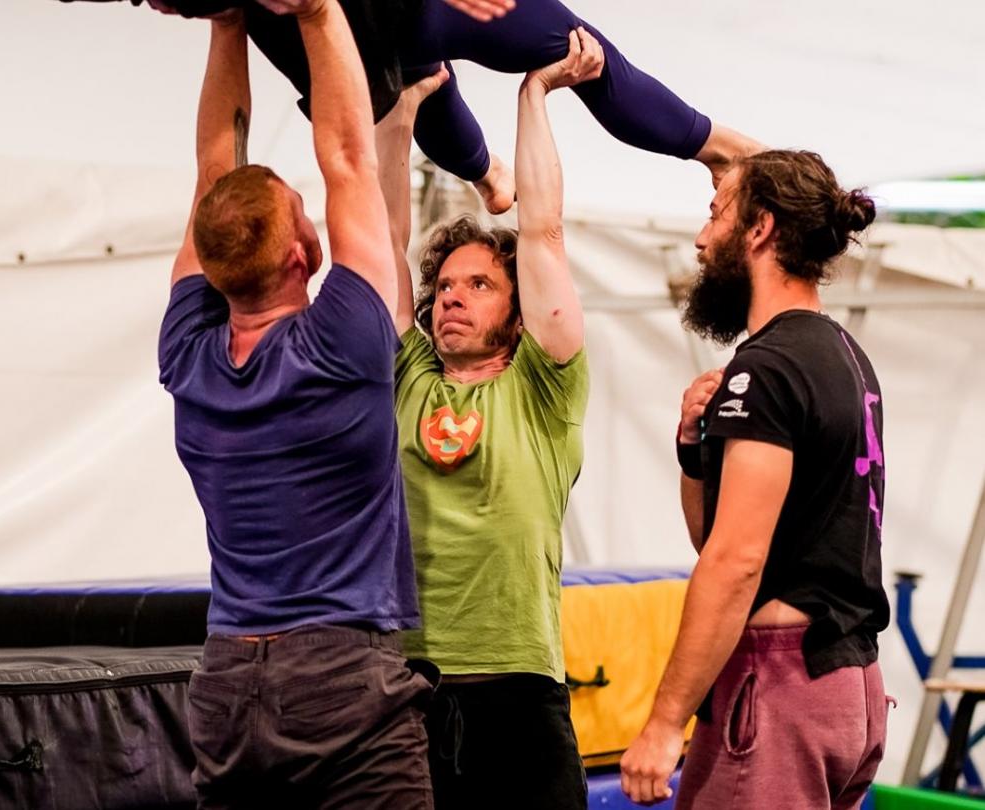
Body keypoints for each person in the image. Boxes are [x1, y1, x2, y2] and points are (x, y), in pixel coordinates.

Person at [156, 2, 434, 807]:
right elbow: (349, 156)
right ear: (302, 254)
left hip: (224, 688)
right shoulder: (343, 343)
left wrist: (227, 20)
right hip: (341, 683)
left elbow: (215, 180)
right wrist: (314, 10)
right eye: (303, 213)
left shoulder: (187, 355)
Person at [619, 150, 891, 809]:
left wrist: (662, 723)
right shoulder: (844, 356)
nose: (701, 238)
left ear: (760, 228)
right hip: (851, 686)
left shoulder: (767, 369)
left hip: (781, 682)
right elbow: (718, 535)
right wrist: (694, 449)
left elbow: (735, 561)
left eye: (716, 215)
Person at [373, 28, 600, 810]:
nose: (452, 296)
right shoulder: (408, 376)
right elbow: (381, 239)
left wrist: (532, 96)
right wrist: (401, 110)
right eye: (445, 285)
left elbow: (542, 231)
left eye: (478, 285)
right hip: (410, 689)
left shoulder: (545, 388)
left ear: (518, 309)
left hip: (519, 692)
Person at [245, 0, 761, 213]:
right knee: (583, 49)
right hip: (342, 29)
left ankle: (487, 172)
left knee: (421, 77)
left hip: (350, 29)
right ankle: (717, 147)